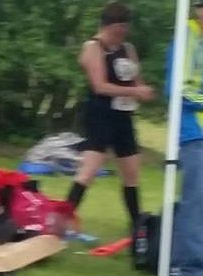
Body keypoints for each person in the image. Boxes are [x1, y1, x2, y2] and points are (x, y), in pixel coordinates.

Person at [66, 1, 155, 229]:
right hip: (101, 114)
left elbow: (136, 80)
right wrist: (134, 92)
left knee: (131, 171)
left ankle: (136, 225)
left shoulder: (128, 48)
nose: (123, 32)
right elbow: (100, 86)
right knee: (89, 170)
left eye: (126, 27)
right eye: (120, 27)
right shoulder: (93, 47)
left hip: (123, 115)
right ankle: (61, 221)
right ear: (109, 25)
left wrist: (142, 90)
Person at [165, 1, 203, 276]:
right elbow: (179, 89)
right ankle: (187, 270)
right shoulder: (188, 37)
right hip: (195, 133)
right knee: (195, 201)